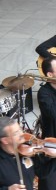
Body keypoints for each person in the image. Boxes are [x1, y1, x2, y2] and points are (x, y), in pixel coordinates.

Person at [37, 57, 56, 190]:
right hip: (52, 142)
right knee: (49, 183)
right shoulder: (44, 93)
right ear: (50, 75)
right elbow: (53, 115)